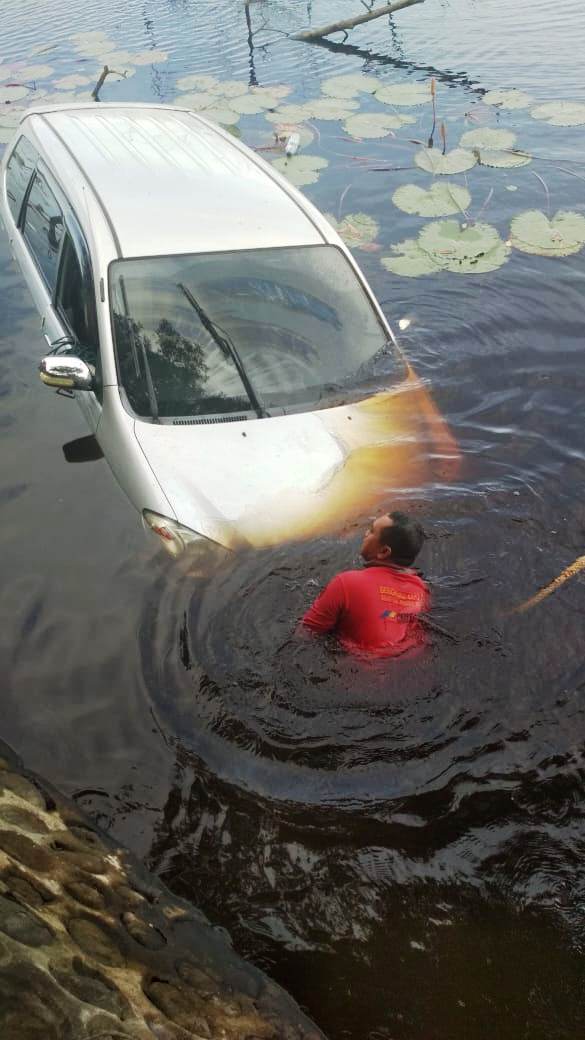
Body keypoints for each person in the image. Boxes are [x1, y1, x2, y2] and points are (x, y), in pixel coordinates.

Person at [301, 512, 429, 657]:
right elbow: (399, 621)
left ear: (384, 552)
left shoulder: (346, 583)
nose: (366, 533)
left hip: (355, 667)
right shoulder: (421, 590)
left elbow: (306, 633)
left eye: (372, 531)